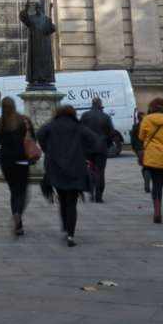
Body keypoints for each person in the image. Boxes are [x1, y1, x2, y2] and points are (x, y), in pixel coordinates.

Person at [36, 102, 98, 247]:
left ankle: (65, 225)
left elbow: (40, 134)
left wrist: (47, 149)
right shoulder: (78, 126)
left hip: (56, 168)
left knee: (63, 199)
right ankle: (71, 234)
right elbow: (93, 139)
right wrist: (84, 152)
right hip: (75, 169)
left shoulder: (52, 125)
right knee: (72, 202)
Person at [0, 98, 37, 236]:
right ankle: (17, 214)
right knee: (22, 192)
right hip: (22, 160)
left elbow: (0, 141)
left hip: (6, 161)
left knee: (14, 191)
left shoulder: (0, 123)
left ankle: (18, 226)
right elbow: (33, 138)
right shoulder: (23, 120)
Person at [81, 96, 118, 202]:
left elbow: (80, 131)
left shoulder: (85, 116)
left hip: (88, 148)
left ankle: (91, 191)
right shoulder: (105, 117)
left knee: (90, 169)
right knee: (100, 171)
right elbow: (111, 133)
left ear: (92, 105)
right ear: (100, 105)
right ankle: (99, 196)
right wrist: (108, 143)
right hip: (101, 147)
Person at [132, 107, 151, 195]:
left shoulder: (135, 126)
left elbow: (133, 139)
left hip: (139, 150)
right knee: (148, 167)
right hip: (148, 148)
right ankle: (147, 182)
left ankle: (146, 181)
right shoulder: (149, 126)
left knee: (145, 167)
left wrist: (135, 149)